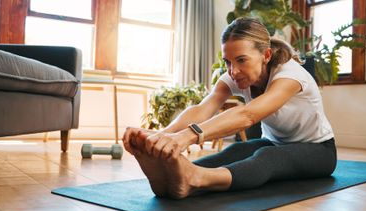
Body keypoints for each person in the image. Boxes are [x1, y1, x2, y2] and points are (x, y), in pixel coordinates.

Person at [123, 17, 337, 199]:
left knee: (267, 158)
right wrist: (161, 136)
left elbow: (248, 115)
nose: (233, 71)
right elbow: (203, 108)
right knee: (237, 150)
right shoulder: (236, 75)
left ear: (266, 56)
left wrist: (186, 137)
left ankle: (196, 178)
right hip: (275, 143)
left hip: (319, 151)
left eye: (241, 60)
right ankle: (172, 177)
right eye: (228, 62)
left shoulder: (290, 76)